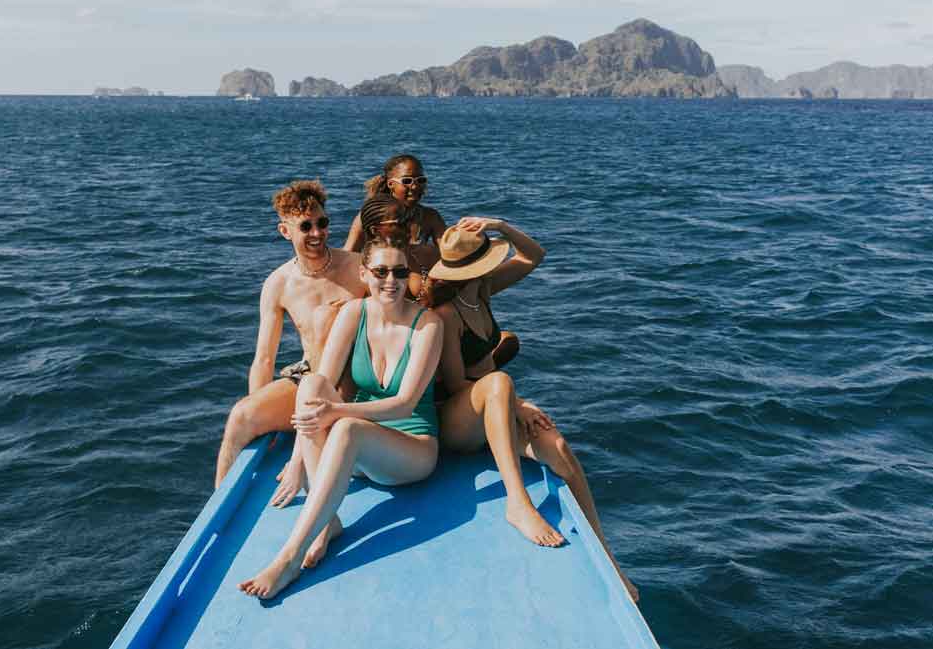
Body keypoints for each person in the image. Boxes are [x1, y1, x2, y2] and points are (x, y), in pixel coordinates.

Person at [427, 218, 638, 602]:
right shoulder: (446, 315)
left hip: (496, 407)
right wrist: (518, 404)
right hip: (458, 423)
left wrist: (501, 225)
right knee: (500, 383)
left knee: (557, 447)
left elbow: (533, 256)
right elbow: (457, 385)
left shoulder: (483, 290)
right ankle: (517, 502)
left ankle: (610, 561)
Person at [239, 233, 443, 599]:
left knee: (346, 427)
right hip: (358, 451)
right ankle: (327, 521)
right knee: (312, 383)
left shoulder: (427, 325)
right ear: (364, 274)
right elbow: (322, 386)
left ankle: (289, 557)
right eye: (381, 271)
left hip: (411, 449)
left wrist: (337, 411)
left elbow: (404, 404)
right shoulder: (354, 313)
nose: (391, 281)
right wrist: (299, 457)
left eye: (400, 272)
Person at [213, 180, 365, 495]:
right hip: (310, 378)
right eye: (305, 226)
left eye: (322, 223)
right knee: (241, 417)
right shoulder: (279, 283)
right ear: (285, 231)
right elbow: (264, 358)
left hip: (357, 379)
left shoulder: (356, 267)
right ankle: (219, 503)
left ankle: (304, 463)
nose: (317, 233)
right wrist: (258, 406)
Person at [343, 154, 446, 270]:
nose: (415, 186)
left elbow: (449, 252)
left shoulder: (430, 217)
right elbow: (347, 257)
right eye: (407, 181)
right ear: (390, 184)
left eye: (420, 180)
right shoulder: (371, 216)